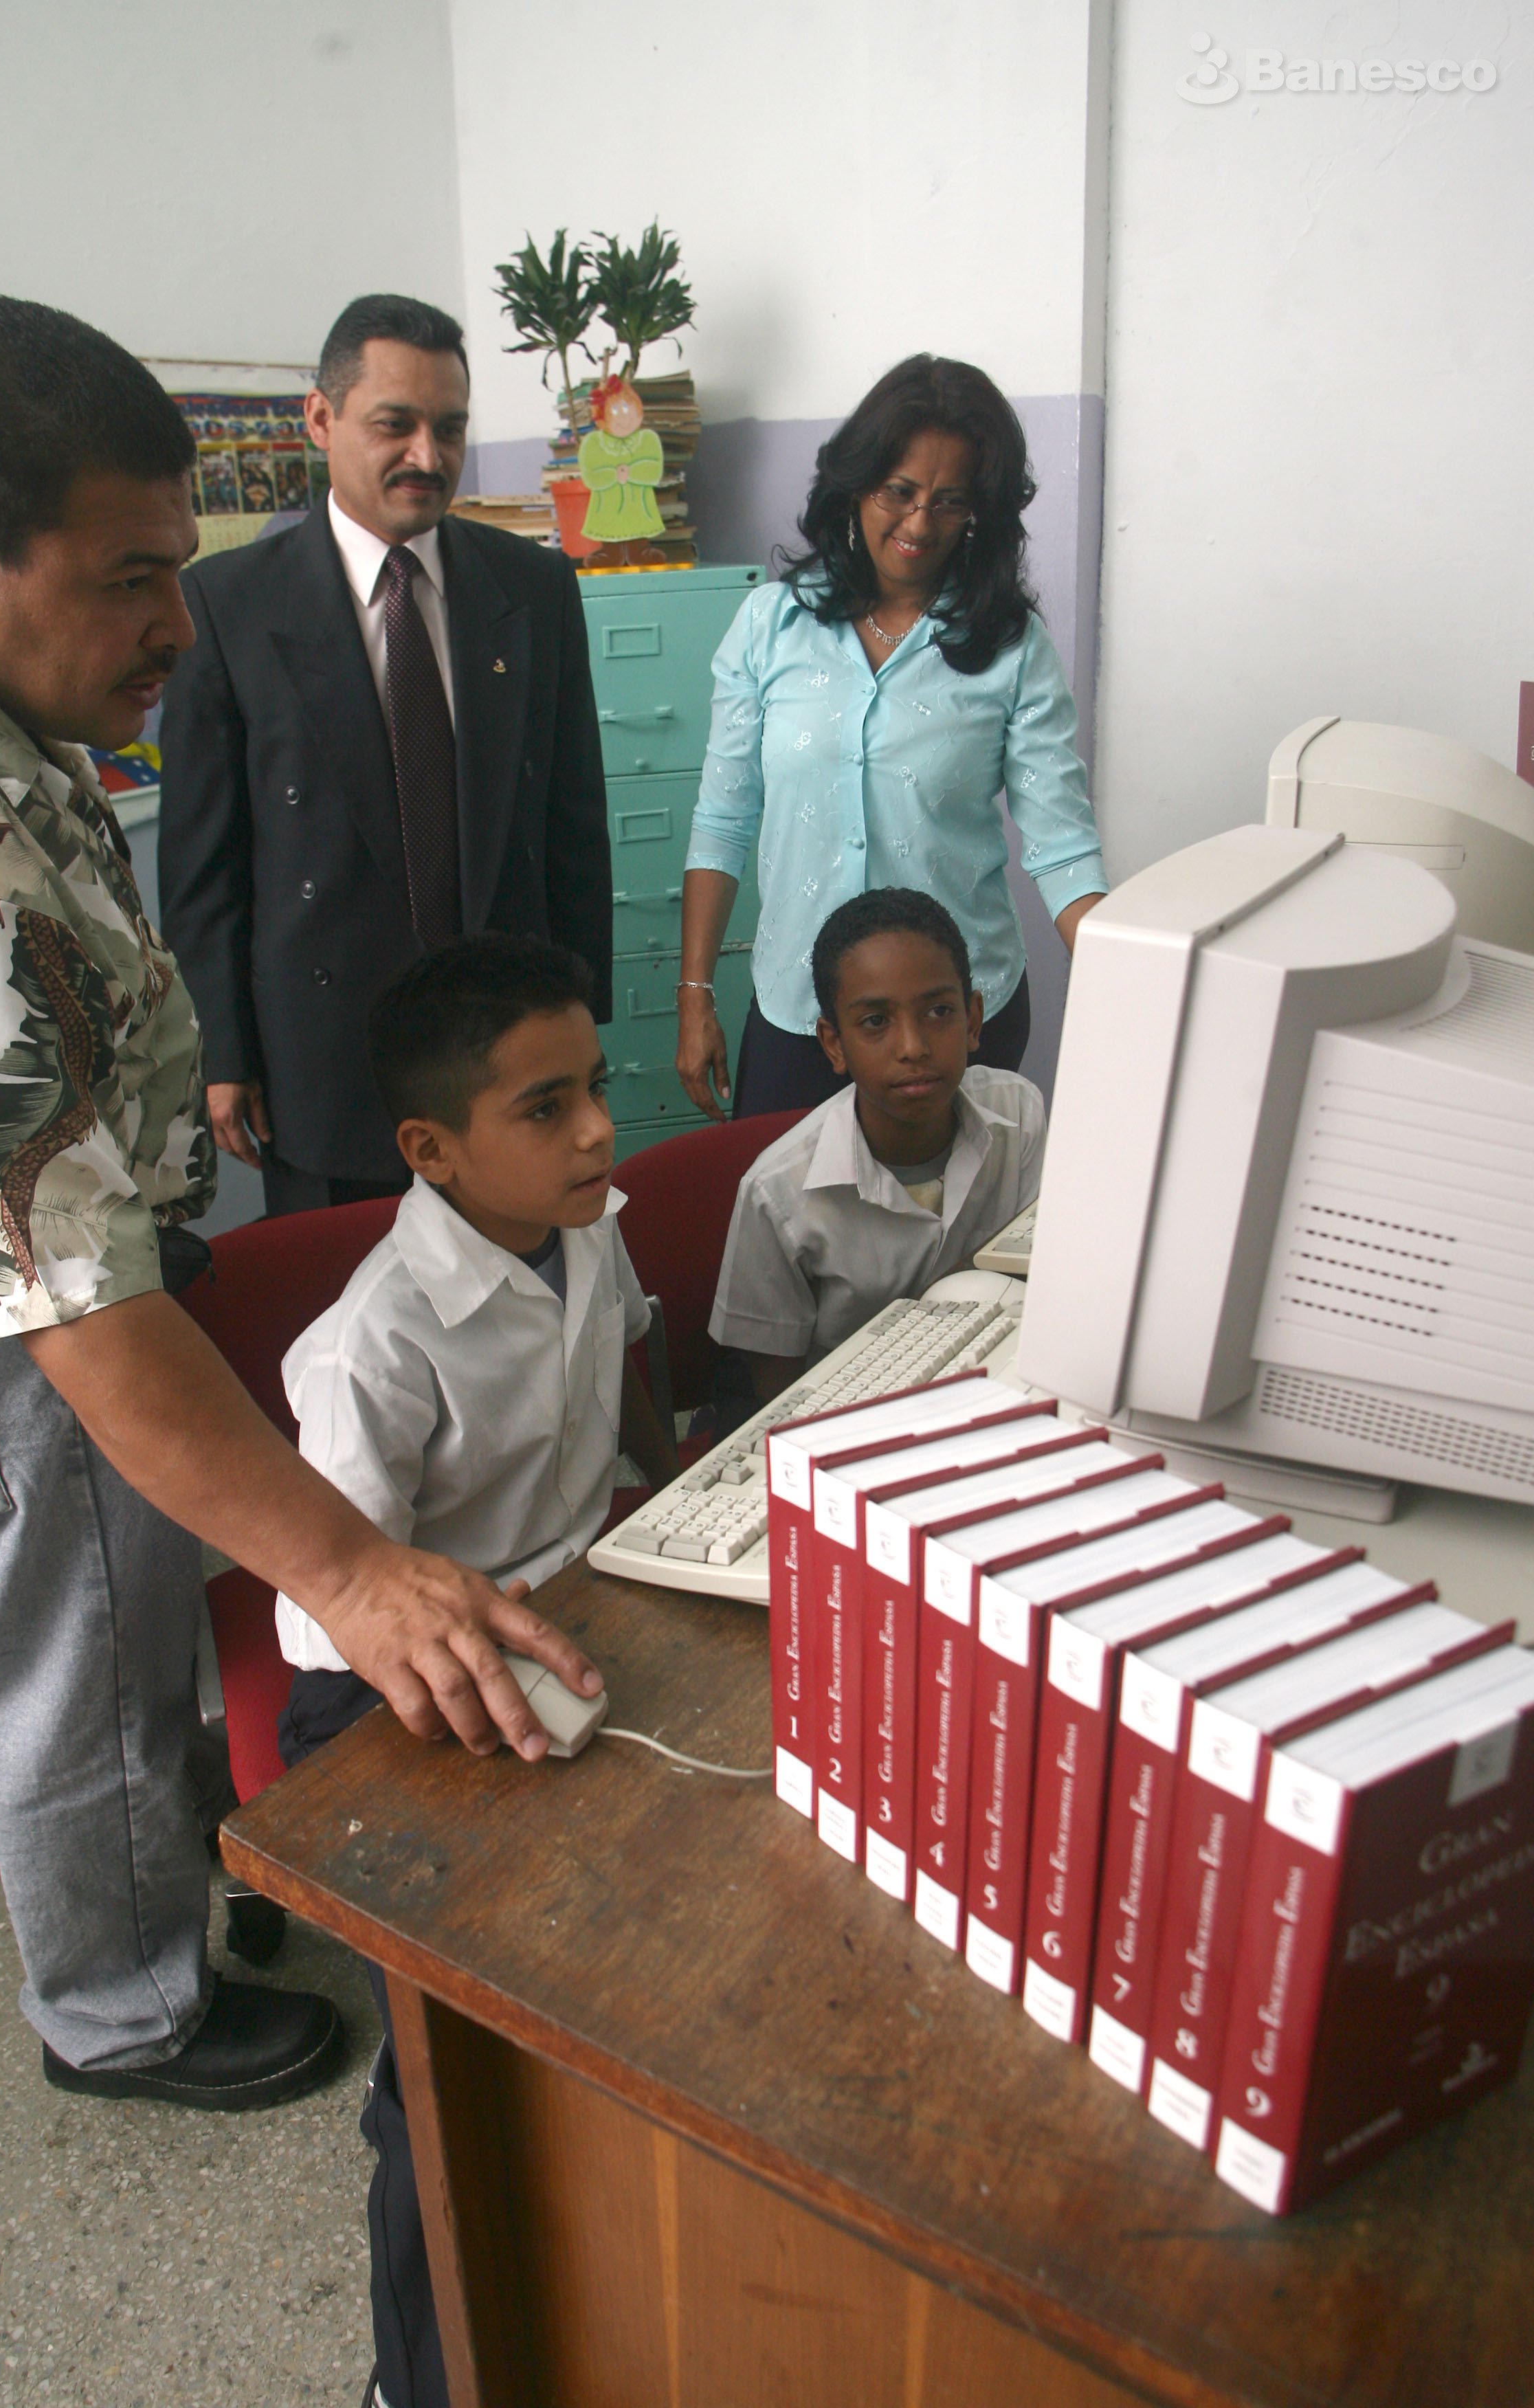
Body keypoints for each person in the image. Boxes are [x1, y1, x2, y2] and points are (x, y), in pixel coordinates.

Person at [0, 295, 602, 2113]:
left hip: (93, 1269)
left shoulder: (6, 714)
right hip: (23, 1333)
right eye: (130, 581)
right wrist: (354, 1572)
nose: (175, 622)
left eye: (179, 569)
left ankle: (160, 1907)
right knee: (74, 1659)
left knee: (129, 1625)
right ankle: (121, 2016)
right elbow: (76, 1313)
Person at [274, 933, 676, 2408]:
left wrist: (671, 1492)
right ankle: (417, 2373)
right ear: (430, 1150)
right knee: (452, 2060)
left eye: (598, 1087)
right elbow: (334, 1624)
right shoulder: (373, 1347)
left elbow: (625, 1367)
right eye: (547, 1107)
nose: (599, 1132)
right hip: (390, 1696)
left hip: (571, 1601)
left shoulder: (587, 1227)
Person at [157, 293, 613, 1216]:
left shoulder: (532, 587)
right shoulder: (225, 605)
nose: (427, 457)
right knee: (343, 1294)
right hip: (324, 1055)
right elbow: (204, 865)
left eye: (449, 428)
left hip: (510, 1049)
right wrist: (223, 1051)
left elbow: (572, 818)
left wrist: (584, 1022)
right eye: (394, 425)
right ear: (321, 420)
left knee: (526, 1287)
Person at [676, 353, 1107, 1121]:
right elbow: (722, 821)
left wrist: (1133, 983)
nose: (918, 524)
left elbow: (1061, 845)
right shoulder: (770, 626)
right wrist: (694, 993)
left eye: (949, 502)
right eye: (898, 492)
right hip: (799, 1006)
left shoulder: (1011, 647)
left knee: (946, 1201)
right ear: (856, 485)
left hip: (954, 1015)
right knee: (780, 1193)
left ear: (977, 513)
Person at [710, 889, 1045, 1409]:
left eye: (939, 1011)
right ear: (834, 1044)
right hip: (849, 1423)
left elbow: (1041, 1287)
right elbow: (777, 1395)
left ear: (973, 1020)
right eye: (875, 1022)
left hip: (998, 1395)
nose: (913, 1047)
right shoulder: (777, 1194)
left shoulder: (1018, 1114)